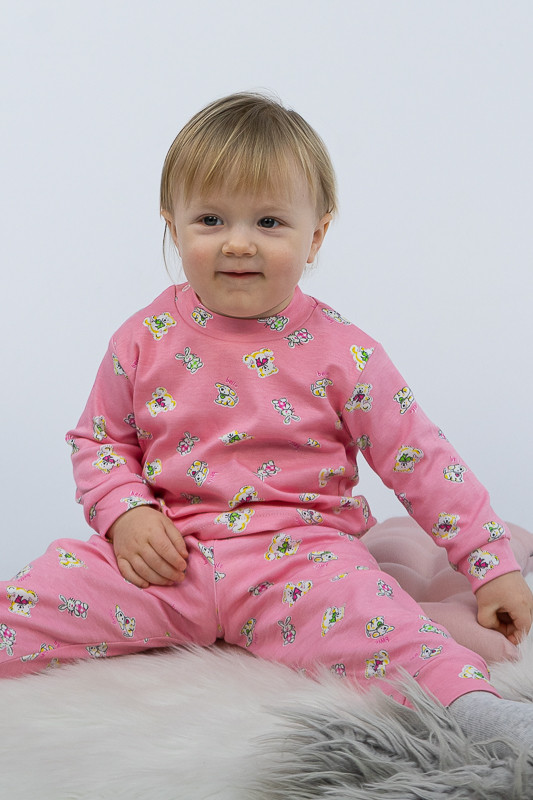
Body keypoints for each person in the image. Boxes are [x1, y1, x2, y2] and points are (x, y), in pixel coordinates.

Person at [1, 92, 532, 753]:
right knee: (41, 595)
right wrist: (126, 513)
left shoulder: (345, 352)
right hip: (168, 557)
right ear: (173, 226)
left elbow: (421, 459)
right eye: (211, 219)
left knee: (386, 626)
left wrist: (489, 563)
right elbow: (100, 441)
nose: (238, 242)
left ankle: (476, 713)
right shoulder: (143, 337)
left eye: (270, 221)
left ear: (316, 236)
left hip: (302, 561)